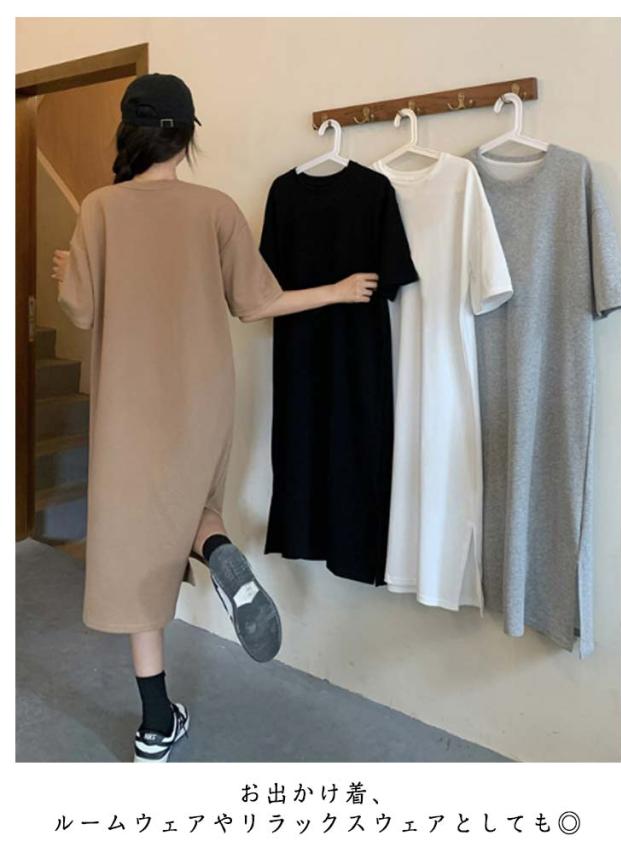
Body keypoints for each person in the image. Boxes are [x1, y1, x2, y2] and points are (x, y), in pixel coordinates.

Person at [50, 73, 380, 763]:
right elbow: (258, 303)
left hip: (128, 409)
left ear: (129, 133)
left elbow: (79, 309)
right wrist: (338, 290)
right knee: (197, 507)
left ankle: (154, 726)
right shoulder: (217, 209)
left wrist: (66, 273)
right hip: (203, 397)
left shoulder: (99, 209)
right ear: (187, 137)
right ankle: (219, 549)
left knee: (137, 553)